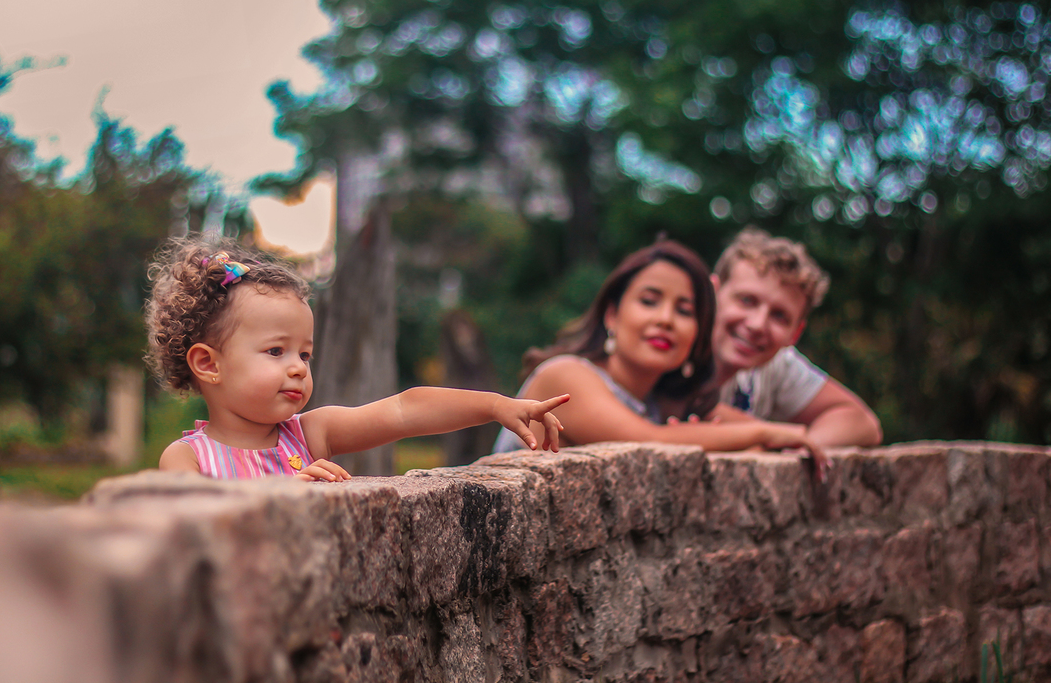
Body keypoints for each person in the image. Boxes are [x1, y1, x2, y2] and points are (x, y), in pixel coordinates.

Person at [147, 237, 568, 482]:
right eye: (276, 351)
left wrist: (495, 406)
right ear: (208, 364)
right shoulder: (187, 459)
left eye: (305, 354)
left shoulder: (309, 434)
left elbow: (405, 410)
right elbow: (197, 526)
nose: (297, 367)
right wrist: (280, 494)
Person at [491, 239, 830, 475]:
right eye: (649, 301)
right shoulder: (564, 378)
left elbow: (752, 436)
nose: (666, 319)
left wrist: (764, 439)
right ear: (612, 315)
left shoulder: (668, 401)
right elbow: (649, 441)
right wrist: (763, 436)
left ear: (698, 331)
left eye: (684, 310)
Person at [703, 227, 882, 447]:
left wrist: (798, 449)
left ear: (795, 333)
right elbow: (689, 406)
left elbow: (862, 423)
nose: (758, 325)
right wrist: (768, 435)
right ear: (710, 295)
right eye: (747, 300)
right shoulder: (670, 345)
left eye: (779, 316)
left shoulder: (776, 364)